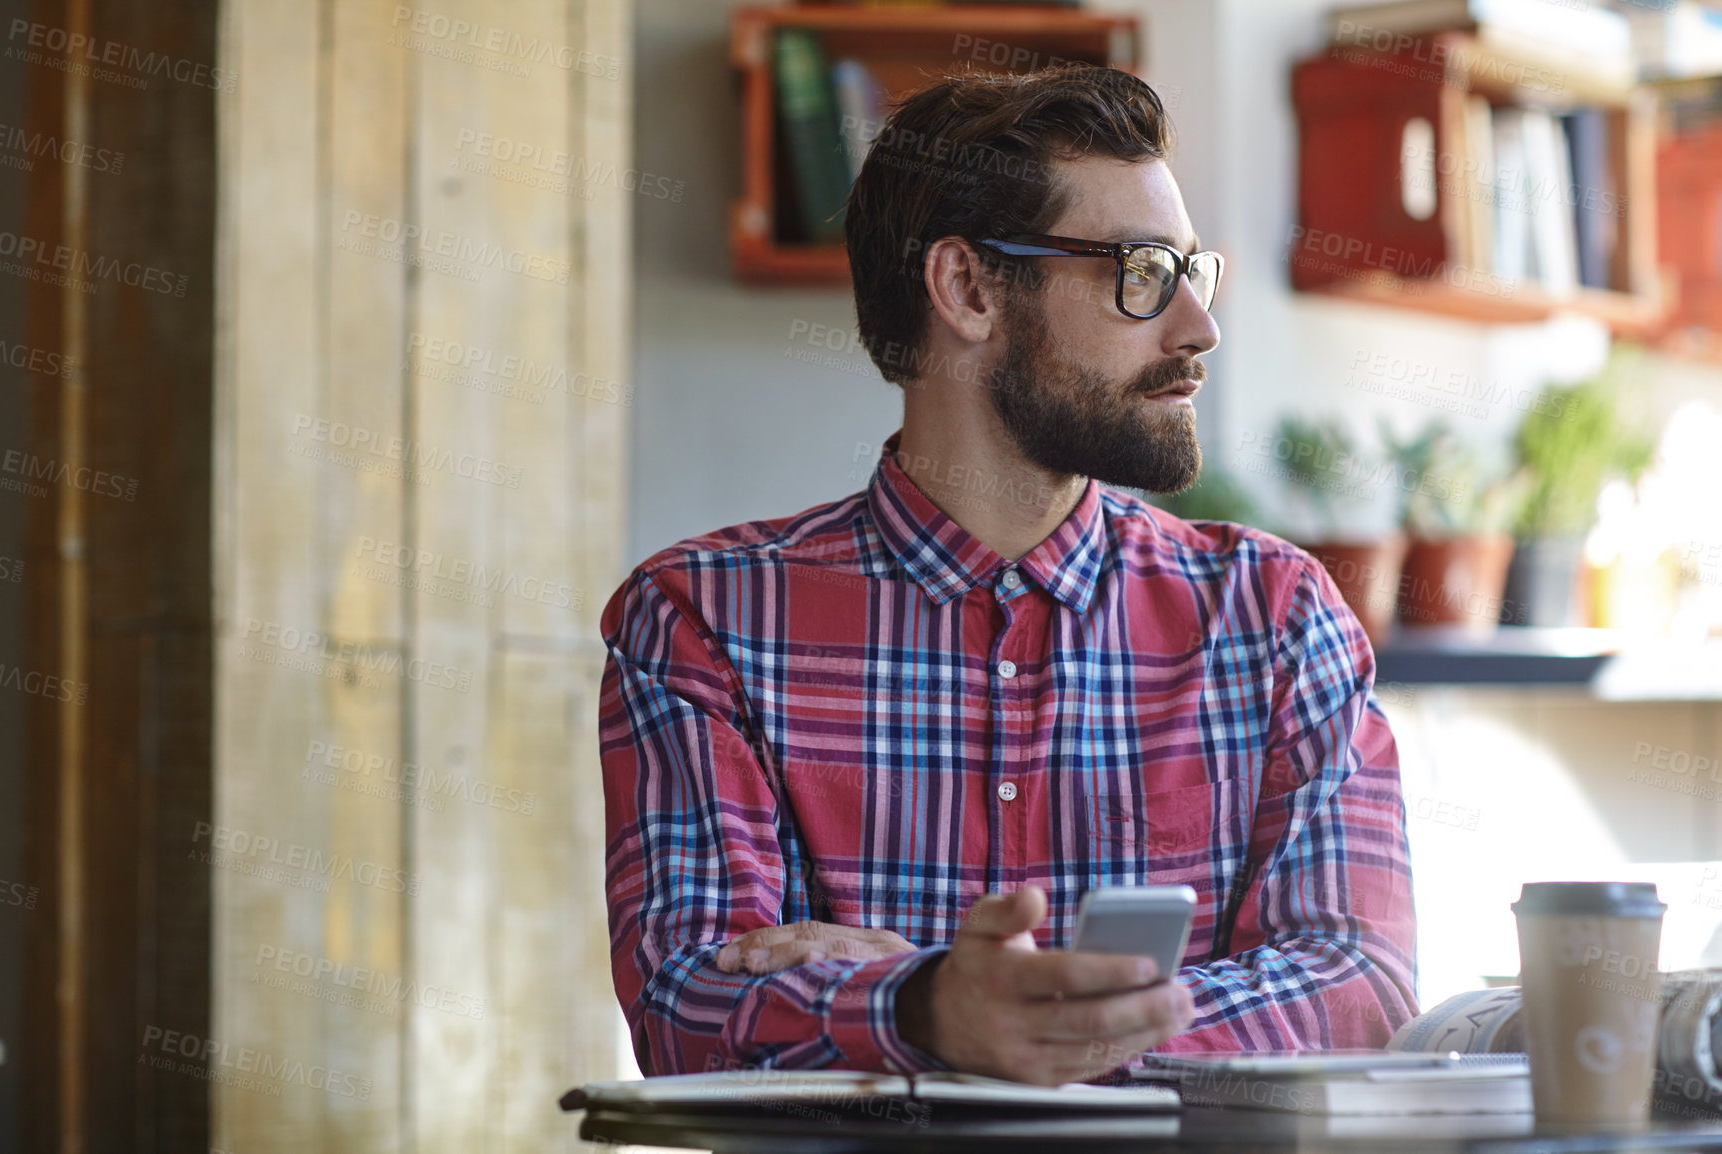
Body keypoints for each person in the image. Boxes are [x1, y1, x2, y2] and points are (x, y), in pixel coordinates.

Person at [598, 66, 1417, 1086]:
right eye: (1140, 272)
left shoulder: (1277, 617)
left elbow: (1358, 986)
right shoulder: (703, 619)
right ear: (969, 289)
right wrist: (936, 1005)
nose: (1196, 328)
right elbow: (688, 1005)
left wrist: (946, 1007)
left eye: (1189, 271)